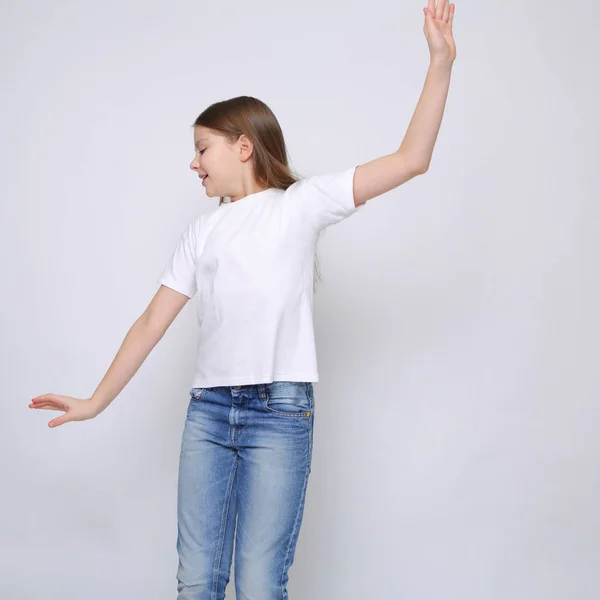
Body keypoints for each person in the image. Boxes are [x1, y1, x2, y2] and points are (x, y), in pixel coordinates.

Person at [29, 2, 457, 598]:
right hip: (207, 414)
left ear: (243, 147)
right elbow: (152, 320)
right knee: (197, 582)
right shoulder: (202, 232)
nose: (193, 162)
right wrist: (96, 401)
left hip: (280, 414)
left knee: (258, 584)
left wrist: (440, 61)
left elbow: (412, 160)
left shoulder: (300, 205)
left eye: (203, 148)